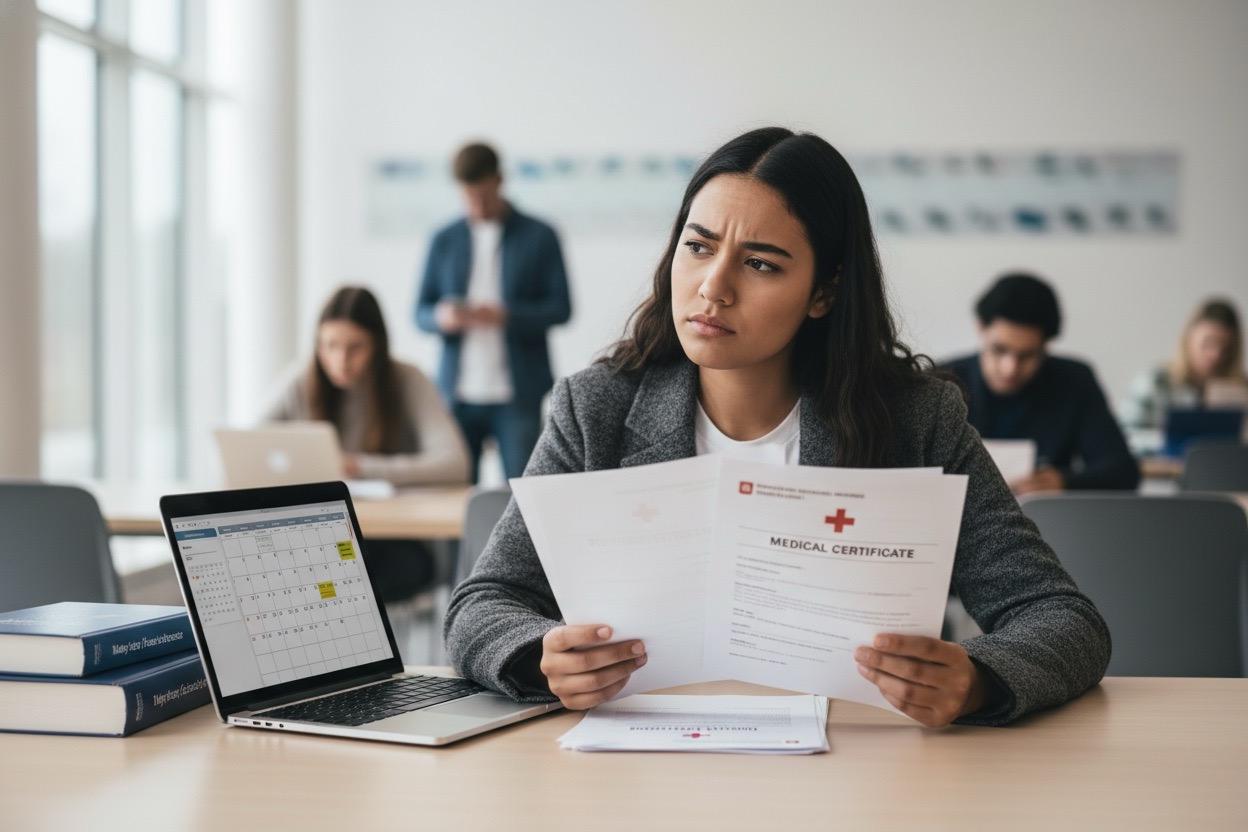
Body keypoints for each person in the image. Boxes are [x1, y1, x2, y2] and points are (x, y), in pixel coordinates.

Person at [444, 128, 1110, 728]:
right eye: (698, 247)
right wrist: (540, 657)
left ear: (824, 291)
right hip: (640, 769)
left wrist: (977, 681)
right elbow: (484, 604)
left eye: (760, 263)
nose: (713, 287)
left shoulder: (914, 420)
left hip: (857, 770)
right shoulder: (594, 411)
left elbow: (1064, 620)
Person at [267, 286, 470, 599]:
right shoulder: (301, 381)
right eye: (329, 346)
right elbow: (247, 446)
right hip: (318, 534)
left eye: (355, 348)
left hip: (392, 540)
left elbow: (455, 463)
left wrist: (359, 467)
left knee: (337, 581)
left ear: (378, 345)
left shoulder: (407, 380)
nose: (340, 360)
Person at [415, 142, 572, 483]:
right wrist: (443, 318)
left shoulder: (540, 234)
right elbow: (420, 312)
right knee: (453, 499)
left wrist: (507, 315)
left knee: (523, 496)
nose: (477, 206)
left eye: (484, 195)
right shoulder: (443, 238)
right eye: (468, 197)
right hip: (456, 394)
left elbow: (561, 308)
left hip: (518, 394)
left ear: (500, 180)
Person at [939, 274, 1140, 494]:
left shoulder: (1074, 381)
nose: (1010, 368)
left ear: (1046, 346)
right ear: (980, 328)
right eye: (999, 350)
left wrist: (1064, 482)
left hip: (1045, 520)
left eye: (1027, 355)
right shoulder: (942, 381)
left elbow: (1122, 470)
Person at [1125, 298, 1247, 429]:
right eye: (1208, 343)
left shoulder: (1242, 388)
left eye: (1226, 348)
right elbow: (1125, 435)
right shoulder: (1154, 382)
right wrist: (1165, 439)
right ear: (1188, 339)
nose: (1216, 354)